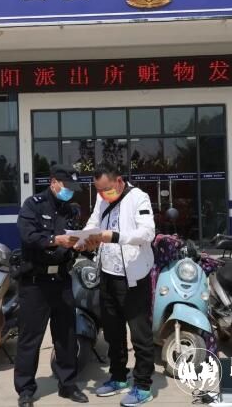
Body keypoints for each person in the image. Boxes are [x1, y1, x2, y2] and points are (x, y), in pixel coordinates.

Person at [79, 163, 156, 407]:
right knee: (113, 332)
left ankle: (143, 385)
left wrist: (115, 236)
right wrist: (83, 238)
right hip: (107, 275)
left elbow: (147, 233)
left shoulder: (139, 198)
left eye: (106, 189)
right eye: (99, 191)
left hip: (133, 278)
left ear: (119, 181)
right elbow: (93, 222)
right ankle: (119, 377)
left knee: (140, 335)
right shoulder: (101, 199)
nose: (103, 195)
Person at [15, 164, 89, 407]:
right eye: (66, 186)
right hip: (35, 283)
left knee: (66, 336)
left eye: (72, 188)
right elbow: (28, 236)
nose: (70, 191)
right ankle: (26, 389)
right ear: (53, 182)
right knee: (30, 338)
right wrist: (54, 240)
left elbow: (75, 237)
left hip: (62, 281)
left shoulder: (70, 209)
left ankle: (68, 385)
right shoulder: (33, 205)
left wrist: (81, 244)